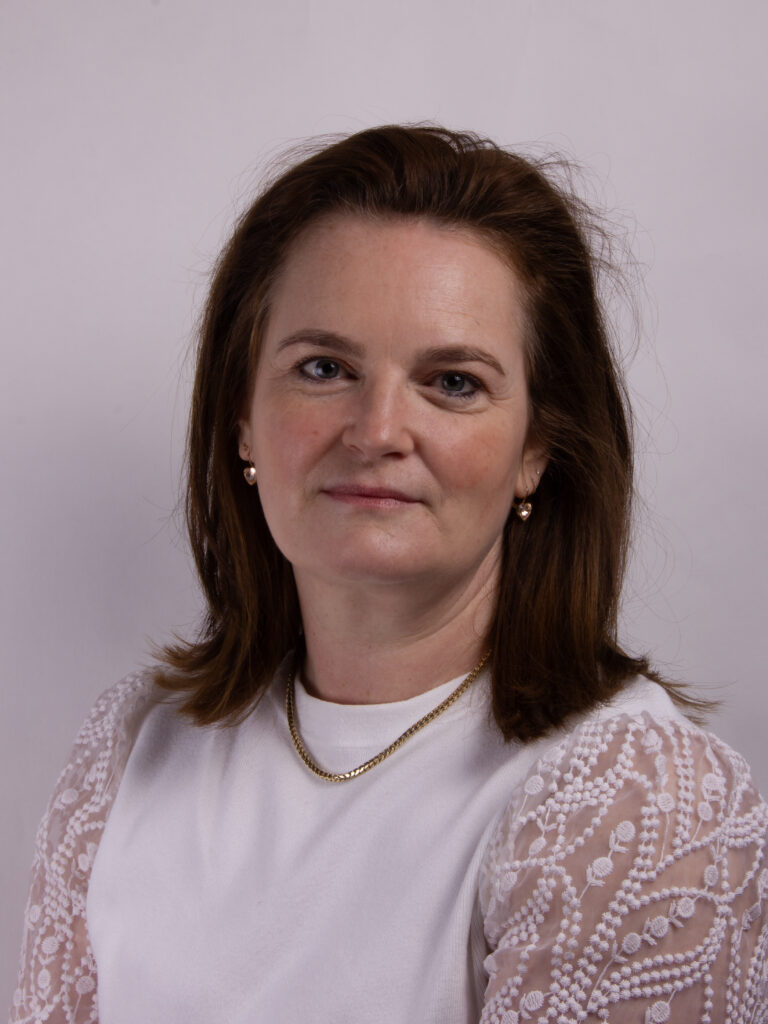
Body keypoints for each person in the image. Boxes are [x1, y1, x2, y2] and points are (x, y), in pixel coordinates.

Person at [11, 125, 768, 1024]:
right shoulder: (133, 744)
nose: (375, 432)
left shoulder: (640, 805)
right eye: (324, 369)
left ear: (535, 451)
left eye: (452, 383)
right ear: (241, 422)